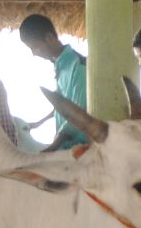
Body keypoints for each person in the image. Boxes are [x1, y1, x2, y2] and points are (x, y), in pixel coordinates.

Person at [18, 14, 88, 147]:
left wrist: (52, 148)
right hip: (65, 148)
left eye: (35, 47)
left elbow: (78, 114)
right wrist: (39, 123)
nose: (34, 53)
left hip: (80, 151)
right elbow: (62, 106)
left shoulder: (78, 66)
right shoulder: (59, 66)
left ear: (49, 38)